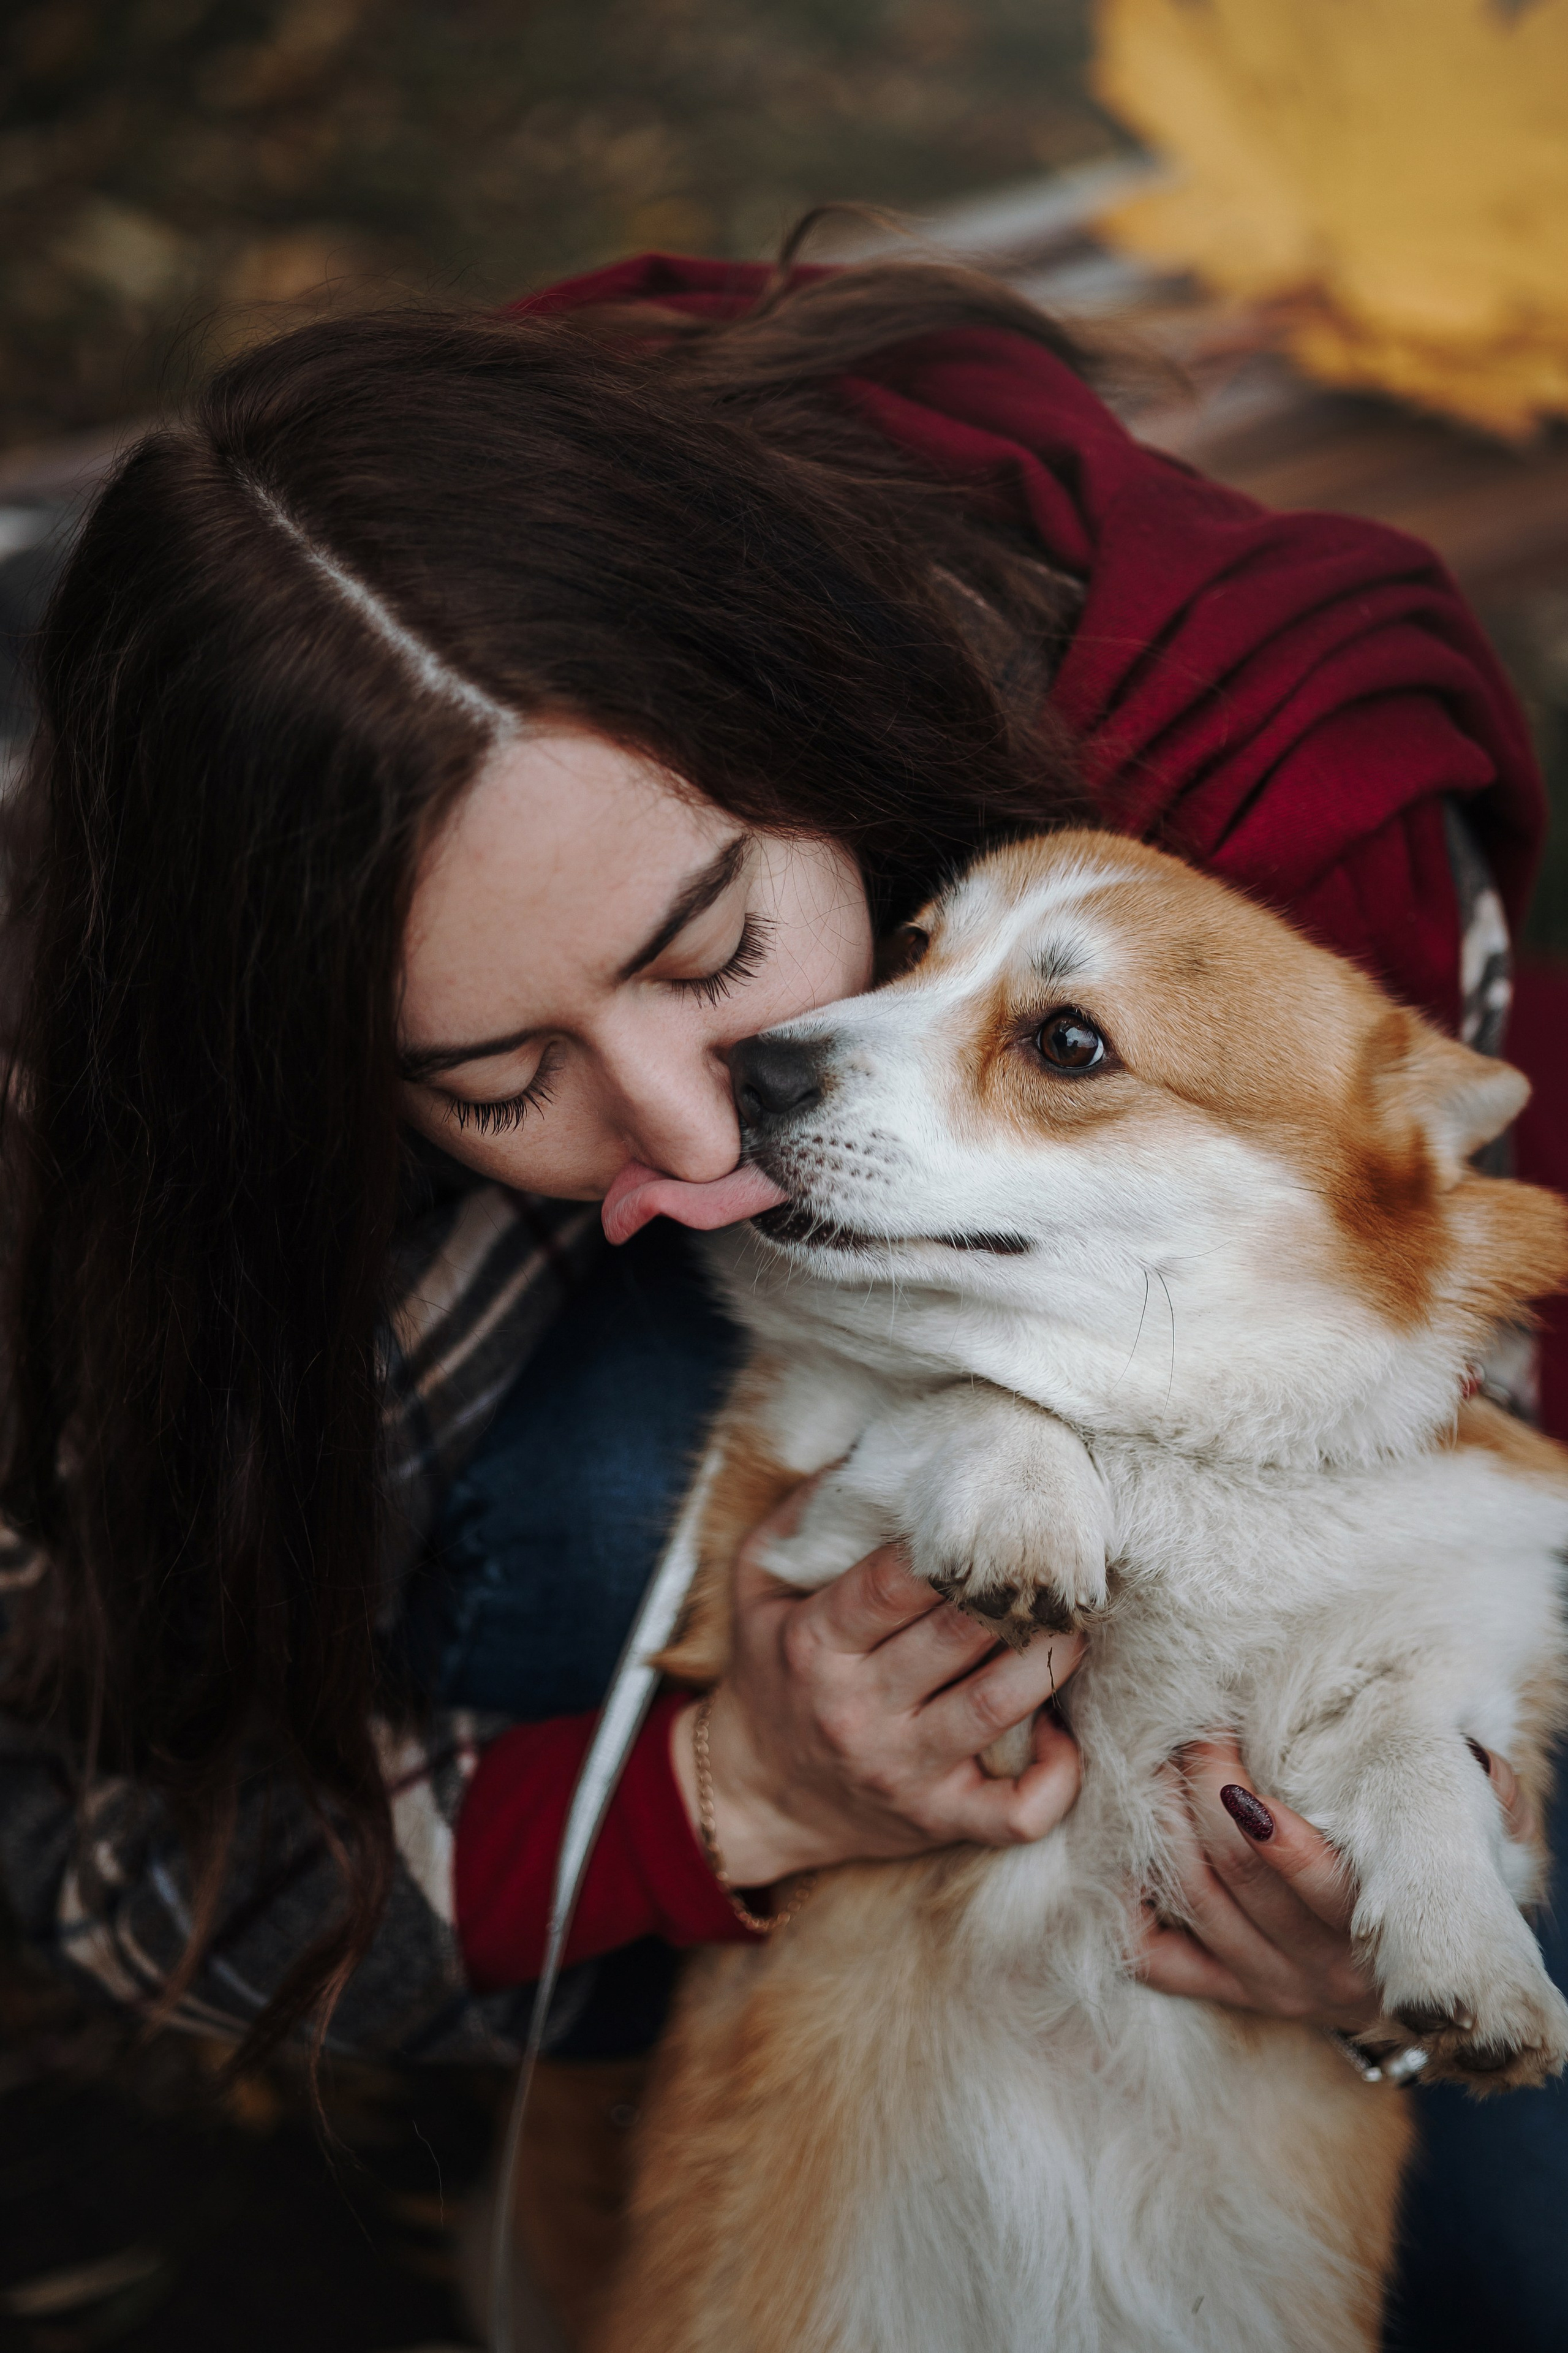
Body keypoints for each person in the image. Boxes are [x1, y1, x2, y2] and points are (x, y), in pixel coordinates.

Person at [0, 245, 1559, 2344]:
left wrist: (1429, 1849)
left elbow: (1437, 1404)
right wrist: (718, 1797)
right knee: (618, 1481)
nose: (682, 1119)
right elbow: (88, 1821)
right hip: (733, 1652)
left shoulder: (1254, 797)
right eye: (497, 1075)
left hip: (1292, 1573)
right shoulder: (136, 1120)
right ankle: (606, 2090)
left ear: (815, 728)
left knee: (1510, 2264)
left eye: (715, 944)